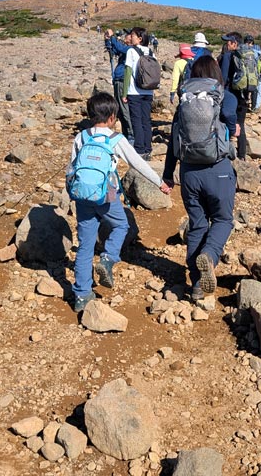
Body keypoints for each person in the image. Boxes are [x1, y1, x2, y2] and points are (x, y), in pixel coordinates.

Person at [67, 92, 171, 312]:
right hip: (107, 194)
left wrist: (72, 192)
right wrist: (159, 182)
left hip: (83, 196)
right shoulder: (116, 139)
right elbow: (137, 164)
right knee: (121, 225)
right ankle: (108, 258)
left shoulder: (81, 137)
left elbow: (72, 169)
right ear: (113, 117)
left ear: (89, 114)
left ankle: (81, 296)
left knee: (85, 245)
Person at [162, 56, 239, 302]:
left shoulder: (185, 99)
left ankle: (196, 284)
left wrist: (168, 174)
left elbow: (173, 140)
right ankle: (210, 255)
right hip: (218, 170)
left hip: (188, 173)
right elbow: (233, 129)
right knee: (223, 219)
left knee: (197, 225)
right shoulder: (225, 97)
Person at [121, 27, 156, 159]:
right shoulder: (151, 52)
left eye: (133, 35)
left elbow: (128, 72)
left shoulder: (131, 51)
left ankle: (139, 149)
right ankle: (148, 147)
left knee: (136, 119)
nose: (131, 37)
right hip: (148, 90)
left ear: (140, 38)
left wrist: (124, 93)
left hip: (134, 91)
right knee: (146, 120)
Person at [217, 32, 252, 160]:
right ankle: (242, 155)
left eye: (228, 41)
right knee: (240, 124)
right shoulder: (247, 57)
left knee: (226, 121)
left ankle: (226, 150)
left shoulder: (227, 56)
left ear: (234, 43)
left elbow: (224, 77)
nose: (226, 44)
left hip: (229, 95)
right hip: (243, 95)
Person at [103, 27, 135, 145]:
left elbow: (120, 48)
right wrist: (108, 40)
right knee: (120, 110)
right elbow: (114, 51)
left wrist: (112, 37)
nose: (125, 36)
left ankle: (131, 135)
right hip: (118, 80)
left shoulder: (131, 49)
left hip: (122, 80)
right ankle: (126, 134)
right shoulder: (126, 49)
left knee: (124, 109)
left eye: (128, 35)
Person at [243, 34, 261, 109]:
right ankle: (255, 107)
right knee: (257, 91)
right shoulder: (258, 53)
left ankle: (244, 104)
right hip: (257, 76)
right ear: (252, 43)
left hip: (245, 76)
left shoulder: (242, 52)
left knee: (245, 90)